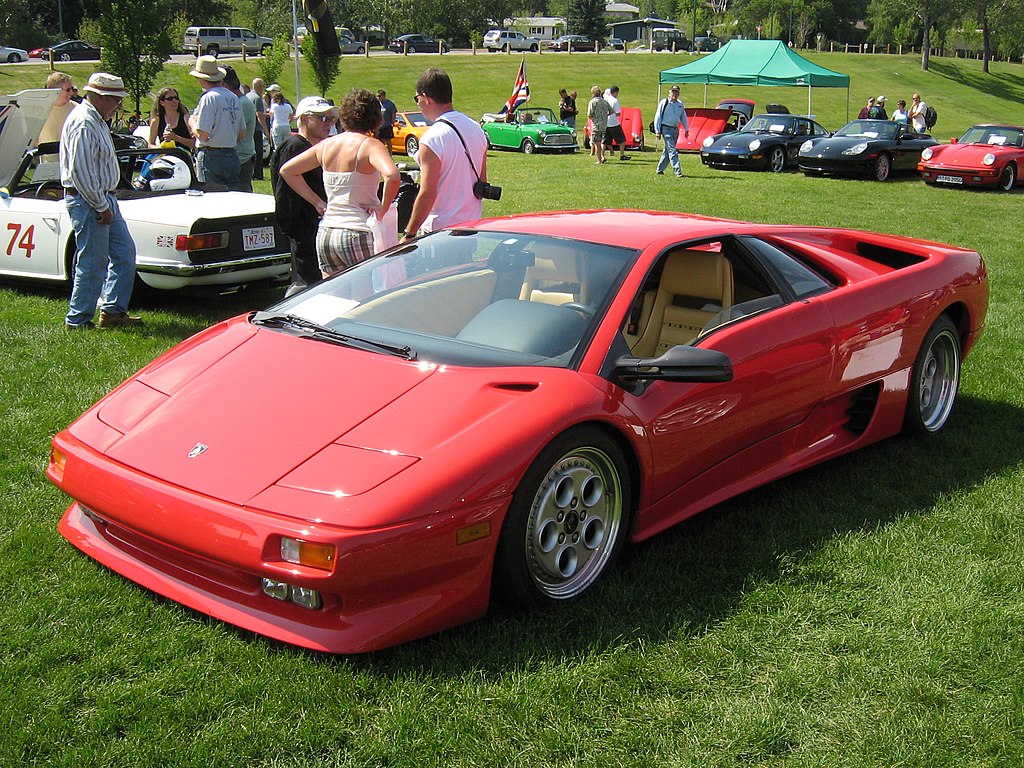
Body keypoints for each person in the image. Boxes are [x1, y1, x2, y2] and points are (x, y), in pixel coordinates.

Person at [281, 88, 401, 277]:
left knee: (335, 300)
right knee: (368, 300)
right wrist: (382, 207)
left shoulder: (326, 145)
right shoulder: (370, 146)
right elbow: (392, 176)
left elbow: (287, 171)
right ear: (375, 117)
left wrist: (318, 203)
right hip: (358, 229)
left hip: (328, 232)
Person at [59, 72, 140, 329]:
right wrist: (101, 205)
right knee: (93, 262)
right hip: (90, 201)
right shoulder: (84, 123)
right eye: (115, 100)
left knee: (124, 254)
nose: (118, 105)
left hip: (102, 198)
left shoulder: (95, 120)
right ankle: (78, 319)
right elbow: (80, 171)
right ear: (100, 97)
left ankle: (113, 311)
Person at [401, 67, 489, 240]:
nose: (418, 105)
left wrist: (409, 234)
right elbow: (482, 181)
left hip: (440, 232)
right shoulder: (476, 129)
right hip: (470, 227)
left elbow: (427, 194)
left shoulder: (431, 139)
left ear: (425, 98)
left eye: (417, 99)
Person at [272, 96, 337, 293]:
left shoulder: (314, 148)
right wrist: (301, 230)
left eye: (330, 118)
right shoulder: (295, 146)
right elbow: (285, 196)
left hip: (314, 226)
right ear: (304, 118)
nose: (328, 123)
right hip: (304, 228)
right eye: (321, 118)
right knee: (306, 286)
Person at [187, 55, 243, 189]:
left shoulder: (209, 98)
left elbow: (203, 134)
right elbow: (242, 133)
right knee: (232, 197)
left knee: (211, 199)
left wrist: (192, 123)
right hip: (231, 154)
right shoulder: (234, 97)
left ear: (201, 78)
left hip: (211, 155)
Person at [223, 66, 256, 192]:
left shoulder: (241, 104)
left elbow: (234, 133)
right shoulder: (239, 102)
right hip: (237, 159)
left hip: (241, 160)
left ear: (224, 85)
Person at [654, 85, 689, 178]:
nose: (674, 94)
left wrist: (687, 129)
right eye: (673, 92)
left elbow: (683, 117)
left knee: (667, 150)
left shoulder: (680, 104)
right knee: (672, 150)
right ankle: (677, 171)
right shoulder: (664, 102)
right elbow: (658, 116)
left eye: (676, 92)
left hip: (675, 129)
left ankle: (660, 169)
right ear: (669, 93)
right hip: (666, 129)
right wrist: (657, 131)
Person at [38, 72, 76, 146]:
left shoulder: (77, 109)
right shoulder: (39, 111)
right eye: (68, 90)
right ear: (56, 91)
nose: (71, 93)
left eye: (72, 88)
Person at [247, 78, 271, 179]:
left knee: (249, 152)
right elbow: (259, 115)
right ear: (259, 87)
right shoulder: (257, 98)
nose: (263, 89)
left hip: (247, 128)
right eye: (262, 86)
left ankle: (250, 172)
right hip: (256, 129)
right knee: (259, 152)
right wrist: (266, 130)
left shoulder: (248, 96)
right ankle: (258, 174)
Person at [587, 85, 612, 165]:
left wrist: (594, 118)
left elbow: (589, 114)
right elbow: (611, 111)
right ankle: (602, 156)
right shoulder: (605, 102)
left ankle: (600, 159)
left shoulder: (593, 102)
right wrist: (605, 116)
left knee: (597, 143)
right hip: (604, 125)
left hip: (596, 125)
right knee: (601, 142)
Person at [603, 85, 629, 160]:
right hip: (614, 123)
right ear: (616, 92)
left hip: (605, 123)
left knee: (604, 141)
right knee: (622, 140)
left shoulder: (605, 99)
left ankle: (601, 156)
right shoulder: (615, 101)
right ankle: (622, 155)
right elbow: (618, 113)